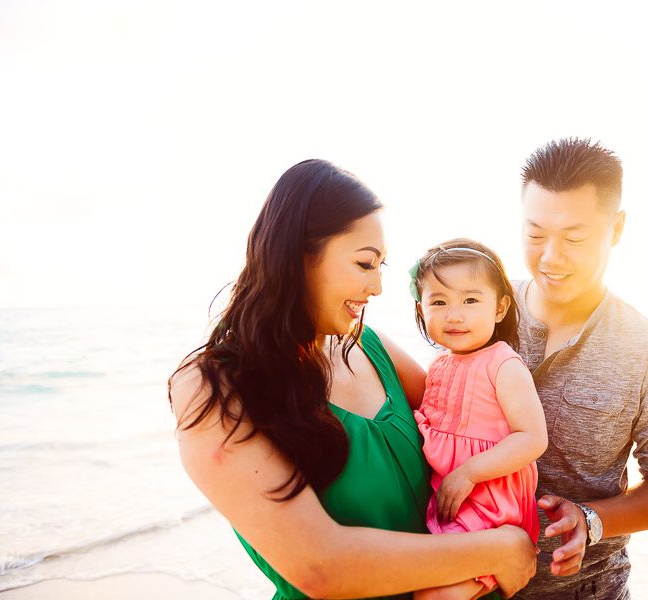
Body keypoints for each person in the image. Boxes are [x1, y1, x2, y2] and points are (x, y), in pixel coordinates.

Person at [168, 160, 536, 600]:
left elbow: (486, 424)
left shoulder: (371, 347)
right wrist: (499, 548)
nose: (378, 287)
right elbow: (320, 567)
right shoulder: (212, 387)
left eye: (382, 266)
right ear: (299, 257)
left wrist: (576, 514)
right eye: (365, 264)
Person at [512, 139, 648, 599]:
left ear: (616, 229)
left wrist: (592, 519)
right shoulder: (480, 314)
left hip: (587, 590)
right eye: (535, 234)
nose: (550, 258)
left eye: (574, 238)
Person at [408, 240, 549, 600]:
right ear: (421, 308)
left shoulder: (503, 364)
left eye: (470, 300)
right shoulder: (439, 366)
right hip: (451, 499)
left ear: (500, 307)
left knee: (434, 594)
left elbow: (532, 439)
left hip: (491, 503)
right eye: (439, 301)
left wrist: (469, 472)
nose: (454, 314)